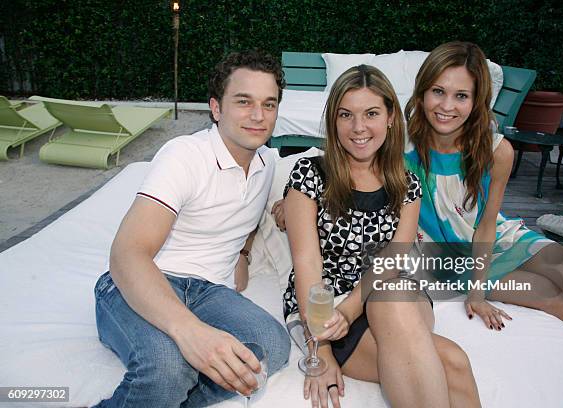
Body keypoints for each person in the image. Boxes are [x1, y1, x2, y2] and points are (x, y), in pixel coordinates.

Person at [93, 50, 291, 408]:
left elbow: (247, 210)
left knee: (272, 346)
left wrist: (244, 253)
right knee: (170, 366)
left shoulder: (266, 163)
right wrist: (191, 332)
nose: (259, 116)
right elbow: (128, 253)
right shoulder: (184, 155)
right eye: (244, 102)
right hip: (141, 282)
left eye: (269, 104)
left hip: (209, 292)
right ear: (216, 108)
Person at [282, 64, 481, 408]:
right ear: (334, 121)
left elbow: (393, 260)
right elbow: (307, 264)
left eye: (371, 113)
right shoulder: (309, 176)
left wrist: (351, 309)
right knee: (454, 363)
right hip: (325, 310)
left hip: (394, 295)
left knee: (390, 292)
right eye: (346, 115)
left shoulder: (406, 184)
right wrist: (322, 346)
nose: (358, 128)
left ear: (390, 116)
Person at [403, 41, 563, 352]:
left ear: (476, 102)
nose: (447, 106)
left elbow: (487, 224)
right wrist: (476, 292)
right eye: (438, 91)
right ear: (421, 93)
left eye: (461, 95)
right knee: (555, 299)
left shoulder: (496, 150)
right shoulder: (403, 150)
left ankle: (521, 267)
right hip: (453, 259)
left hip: (498, 236)